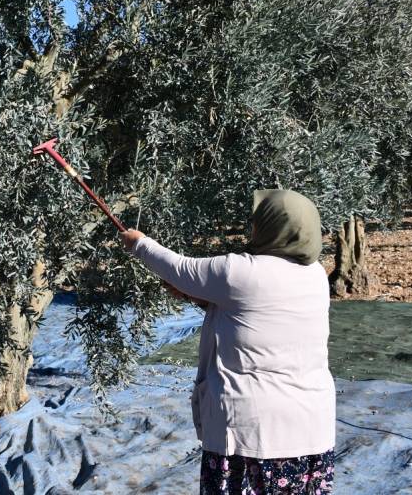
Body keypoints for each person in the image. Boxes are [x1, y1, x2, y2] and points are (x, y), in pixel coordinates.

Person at [121, 189, 335, 495]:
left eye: (257, 222)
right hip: (311, 430)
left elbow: (180, 269)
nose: (252, 227)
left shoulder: (239, 271)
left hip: (252, 434)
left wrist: (138, 244)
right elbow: (261, 315)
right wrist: (204, 300)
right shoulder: (315, 275)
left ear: (273, 226)